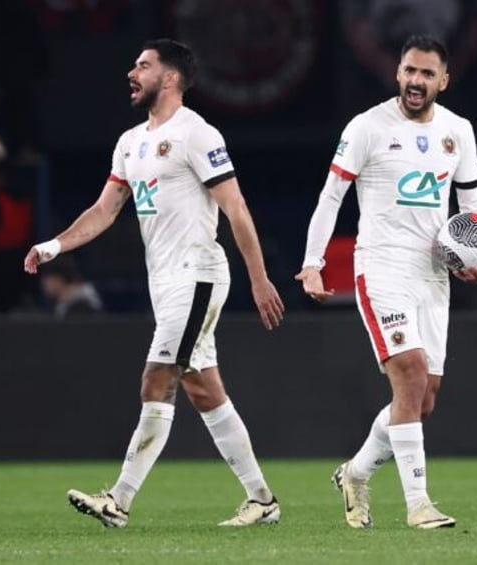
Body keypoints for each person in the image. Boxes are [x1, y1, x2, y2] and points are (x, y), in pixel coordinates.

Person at [23, 39, 284, 528]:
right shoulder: (130, 142)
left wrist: (259, 277)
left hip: (198, 273)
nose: (131, 72)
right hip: (164, 282)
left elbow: (237, 208)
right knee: (204, 391)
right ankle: (262, 500)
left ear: (169, 78)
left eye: (142, 66)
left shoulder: (197, 134)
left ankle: (118, 501)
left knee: (156, 378)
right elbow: (104, 210)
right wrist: (54, 246)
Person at [295, 34, 477, 529]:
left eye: (427, 73)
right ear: (397, 73)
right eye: (410, 70)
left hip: (434, 274)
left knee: (422, 401)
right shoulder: (367, 127)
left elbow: (472, 209)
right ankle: (418, 505)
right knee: (408, 373)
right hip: (382, 266)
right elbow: (331, 197)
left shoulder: (459, 131)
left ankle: (355, 472)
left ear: (444, 81)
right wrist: (313, 262)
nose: (416, 80)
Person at [39, 254, 104, 318]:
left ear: (58, 279)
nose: (43, 284)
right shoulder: (60, 303)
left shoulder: (85, 299)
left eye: (47, 279)